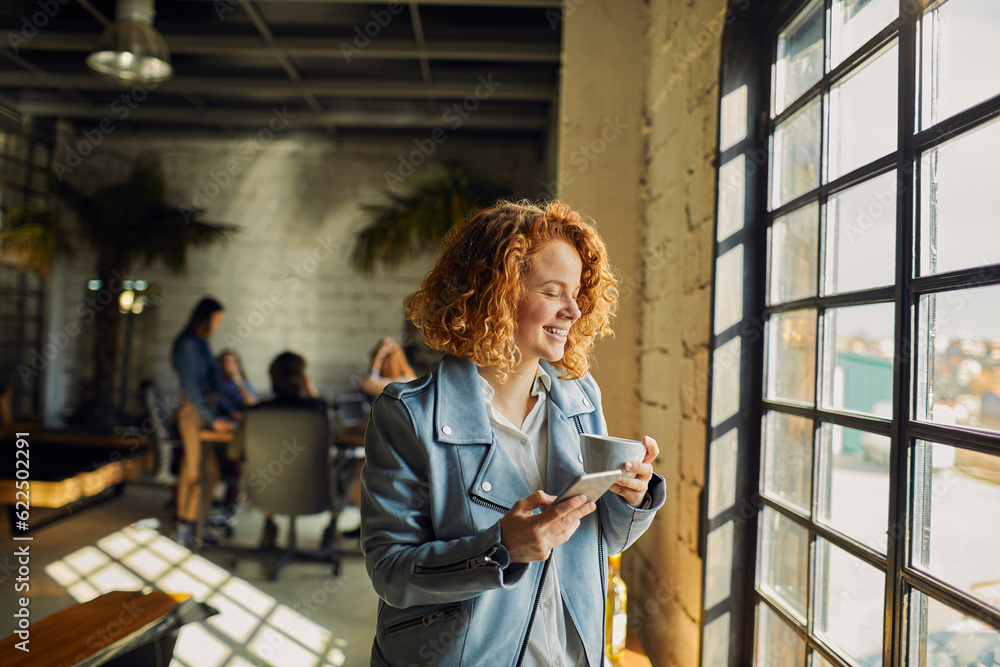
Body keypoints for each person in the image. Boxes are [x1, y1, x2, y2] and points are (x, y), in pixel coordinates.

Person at [361, 201, 665, 666]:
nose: (573, 310)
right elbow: (392, 574)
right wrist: (499, 549)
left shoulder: (580, 396)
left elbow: (603, 540)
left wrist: (630, 498)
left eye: (577, 294)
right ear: (494, 294)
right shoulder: (409, 415)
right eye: (552, 291)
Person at [229, 351, 327, 549]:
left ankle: (268, 525)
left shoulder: (256, 412)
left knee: (266, 465)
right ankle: (332, 529)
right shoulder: (320, 411)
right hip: (313, 492)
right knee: (345, 465)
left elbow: (233, 452)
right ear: (303, 378)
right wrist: (312, 393)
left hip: (265, 493)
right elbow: (335, 438)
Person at [172, 297, 235, 548]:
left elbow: (215, 385)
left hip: (207, 411)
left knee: (211, 472)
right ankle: (185, 527)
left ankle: (196, 524)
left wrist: (229, 413)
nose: (218, 325)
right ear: (204, 317)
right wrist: (214, 418)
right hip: (193, 412)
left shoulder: (202, 344)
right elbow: (194, 389)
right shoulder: (187, 345)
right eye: (216, 319)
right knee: (195, 470)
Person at [217, 350, 259, 415]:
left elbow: (252, 403)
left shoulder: (244, 383)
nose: (227, 366)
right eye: (224, 362)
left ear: (238, 365)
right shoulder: (216, 383)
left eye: (231, 362)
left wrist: (239, 382)